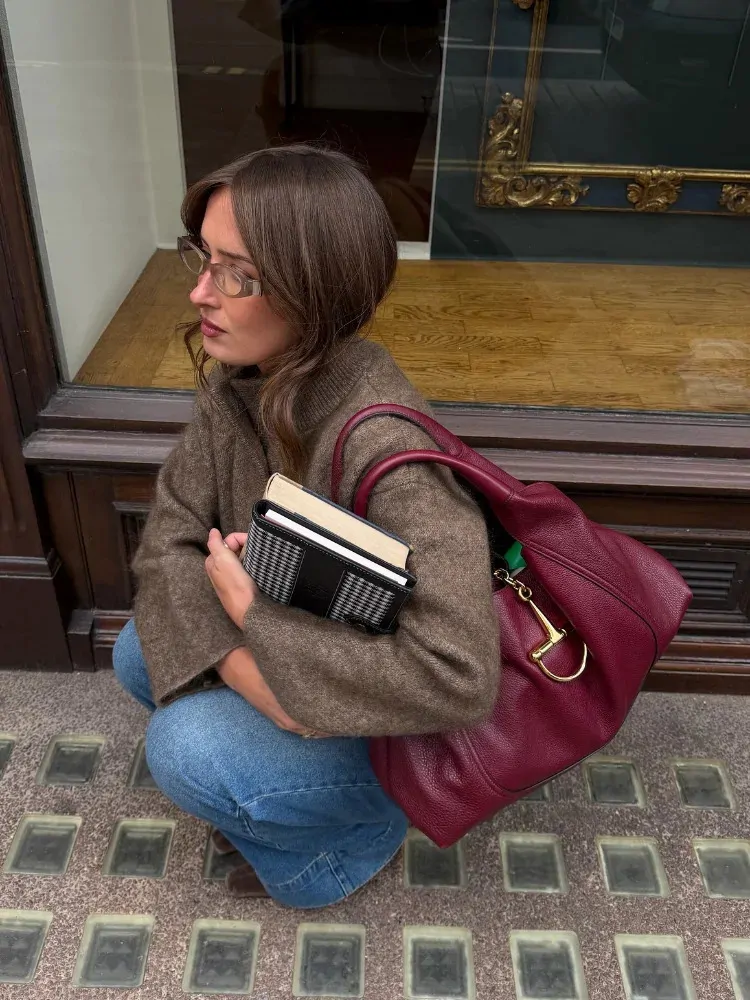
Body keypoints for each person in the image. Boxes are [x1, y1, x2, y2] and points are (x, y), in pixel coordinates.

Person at [113, 144, 500, 908]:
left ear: (311, 291)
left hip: (391, 727)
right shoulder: (244, 383)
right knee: (137, 649)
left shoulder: (388, 448)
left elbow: (461, 676)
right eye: (203, 259)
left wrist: (253, 626)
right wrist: (255, 680)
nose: (199, 292)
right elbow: (169, 538)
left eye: (237, 275)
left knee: (184, 746)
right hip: (305, 664)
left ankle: (348, 848)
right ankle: (274, 779)